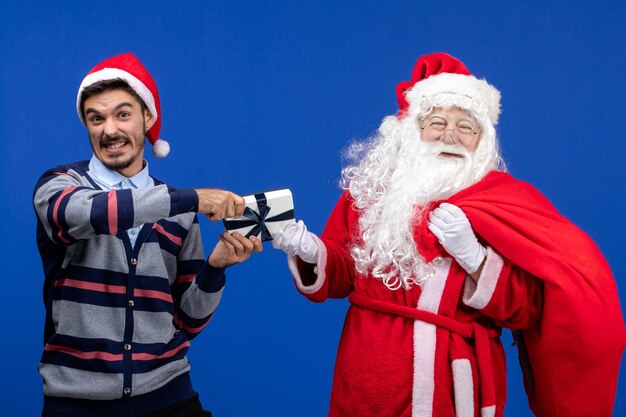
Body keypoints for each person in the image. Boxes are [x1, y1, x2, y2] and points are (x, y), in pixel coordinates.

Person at [272, 52, 625, 417]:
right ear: (414, 130)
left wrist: (476, 259)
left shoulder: (506, 202)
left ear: (482, 140)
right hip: (367, 369)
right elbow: (344, 274)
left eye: (466, 127)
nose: (450, 135)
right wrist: (313, 253)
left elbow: (529, 309)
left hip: (453, 383)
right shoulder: (372, 193)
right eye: (437, 122)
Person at [33, 52, 262, 417]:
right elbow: (82, 213)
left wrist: (215, 270)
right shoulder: (60, 186)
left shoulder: (182, 213)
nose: (109, 130)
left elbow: (186, 322)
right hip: (77, 403)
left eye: (122, 114)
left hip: (169, 396)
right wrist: (190, 198)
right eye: (96, 118)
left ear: (148, 119)